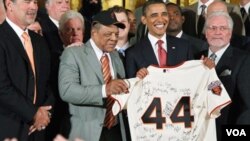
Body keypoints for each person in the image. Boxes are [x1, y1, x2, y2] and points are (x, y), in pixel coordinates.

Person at [58, 9, 147, 141]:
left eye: (116, 34)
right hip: (87, 132)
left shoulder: (115, 56)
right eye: (108, 34)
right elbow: (67, 91)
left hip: (116, 130)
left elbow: (122, 90)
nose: (114, 39)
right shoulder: (73, 54)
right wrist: (105, 90)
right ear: (94, 33)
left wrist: (137, 80)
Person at [0, 0, 53, 140]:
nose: (33, 7)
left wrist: (45, 113)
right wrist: (33, 114)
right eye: (27, 1)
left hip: (39, 129)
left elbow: (47, 82)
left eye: (35, 2)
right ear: (9, 5)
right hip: (8, 129)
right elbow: (2, 88)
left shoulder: (39, 41)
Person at [198, 11, 250, 141]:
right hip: (200, 132)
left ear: (230, 33)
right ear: (205, 32)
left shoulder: (244, 60)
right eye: (212, 28)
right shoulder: (195, 58)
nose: (217, 32)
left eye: (223, 28)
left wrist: (236, 135)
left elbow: (247, 106)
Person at [125, 0, 194, 78]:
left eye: (164, 14)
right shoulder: (133, 53)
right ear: (144, 20)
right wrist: (138, 79)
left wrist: (205, 65)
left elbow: (192, 78)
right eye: (154, 15)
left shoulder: (185, 46)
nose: (160, 20)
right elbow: (132, 87)